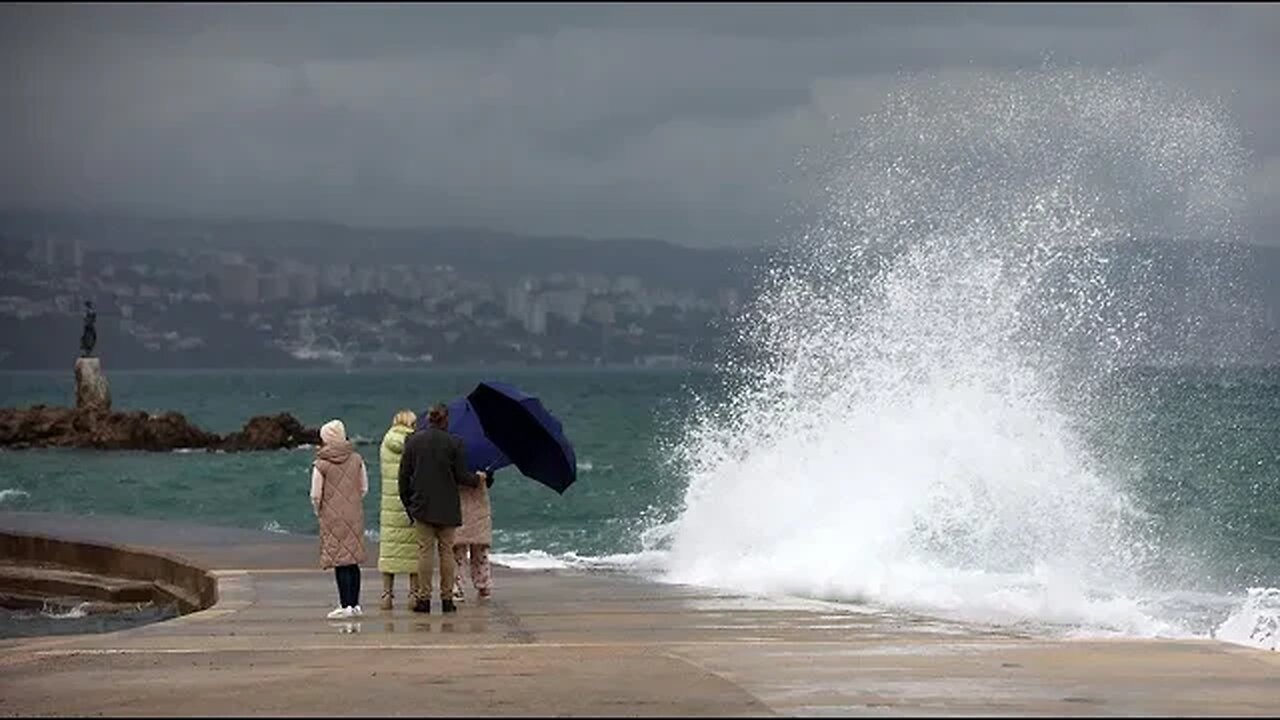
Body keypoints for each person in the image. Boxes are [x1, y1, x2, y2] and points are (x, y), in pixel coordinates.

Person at [398, 403, 484, 614]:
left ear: (429, 419)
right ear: (446, 420)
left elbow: (403, 476)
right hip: (447, 507)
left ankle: (424, 599)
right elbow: (462, 477)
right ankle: (447, 599)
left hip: (422, 505)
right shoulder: (455, 443)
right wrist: (479, 479)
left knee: (424, 553)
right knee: (446, 553)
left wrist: (408, 503)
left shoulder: (413, 441)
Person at [311, 418, 369, 620]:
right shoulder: (357, 459)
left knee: (340, 560)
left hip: (332, 515)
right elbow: (364, 488)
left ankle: (345, 605)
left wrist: (319, 510)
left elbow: (315, 494)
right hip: (354, 513)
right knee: (352, 560)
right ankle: (355, 604)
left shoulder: (321, 464)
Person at [377, 409, 419, 610]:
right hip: (410, 501)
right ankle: (413, 594)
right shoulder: (414, 444)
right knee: (413, 552)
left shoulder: (386, 442)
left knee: (390, 551)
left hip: (389, 503)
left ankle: (387, 595)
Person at [452, 465, 494, 602]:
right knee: (480, 551)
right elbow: (489, 482)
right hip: (478, 505)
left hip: (459, 505)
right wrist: (482, 477)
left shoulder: (453, 456)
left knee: (458, 552)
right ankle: (483, 585)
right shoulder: (486, 461)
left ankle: (457, 587)